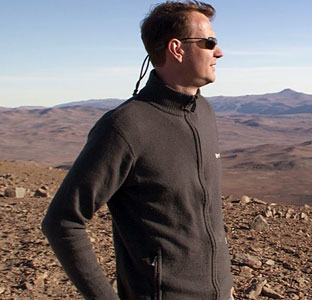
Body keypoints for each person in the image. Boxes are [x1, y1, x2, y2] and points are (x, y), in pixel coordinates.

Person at [41, 1, 233, 299]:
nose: (219, 52)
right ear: (177, 49)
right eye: (210, 43)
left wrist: (224, 286)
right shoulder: (125, 127)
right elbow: (63, 220)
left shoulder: (203, 112)